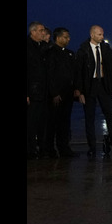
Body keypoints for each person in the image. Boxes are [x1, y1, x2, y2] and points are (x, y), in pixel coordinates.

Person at [74, 25, 112, 157]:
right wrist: (79, 91)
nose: (102, 37)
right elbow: (79, 72)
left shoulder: (105, 49)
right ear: (92, 35)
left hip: (104, 85)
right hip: (90, 86)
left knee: (110, 116)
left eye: (102, 34)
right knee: (90, 118)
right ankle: (92, 147)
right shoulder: (83, 50)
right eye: (99, 34)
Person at [45, 27, 78, 158]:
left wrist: (76, 88)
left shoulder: (70, 53)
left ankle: (64, 147)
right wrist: (54, 93)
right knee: (53, 122)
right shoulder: (51, 53)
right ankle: (49, 149)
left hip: (67, 92)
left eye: (68, 37)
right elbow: (50, 74)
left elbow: (73, 73)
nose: (68, 39)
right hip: (56, 93)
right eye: (65, 37)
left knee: (65, 122)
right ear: (58, 38)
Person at [27, 21, 50, 159]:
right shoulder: (29, 47)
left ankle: (41, 148)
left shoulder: (43, 47)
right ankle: (30, 150)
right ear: (33, 32)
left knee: (42, 122)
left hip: (43, 91)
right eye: (41, 30)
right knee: (31, 122)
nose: (43, 32)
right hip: (33, 92)